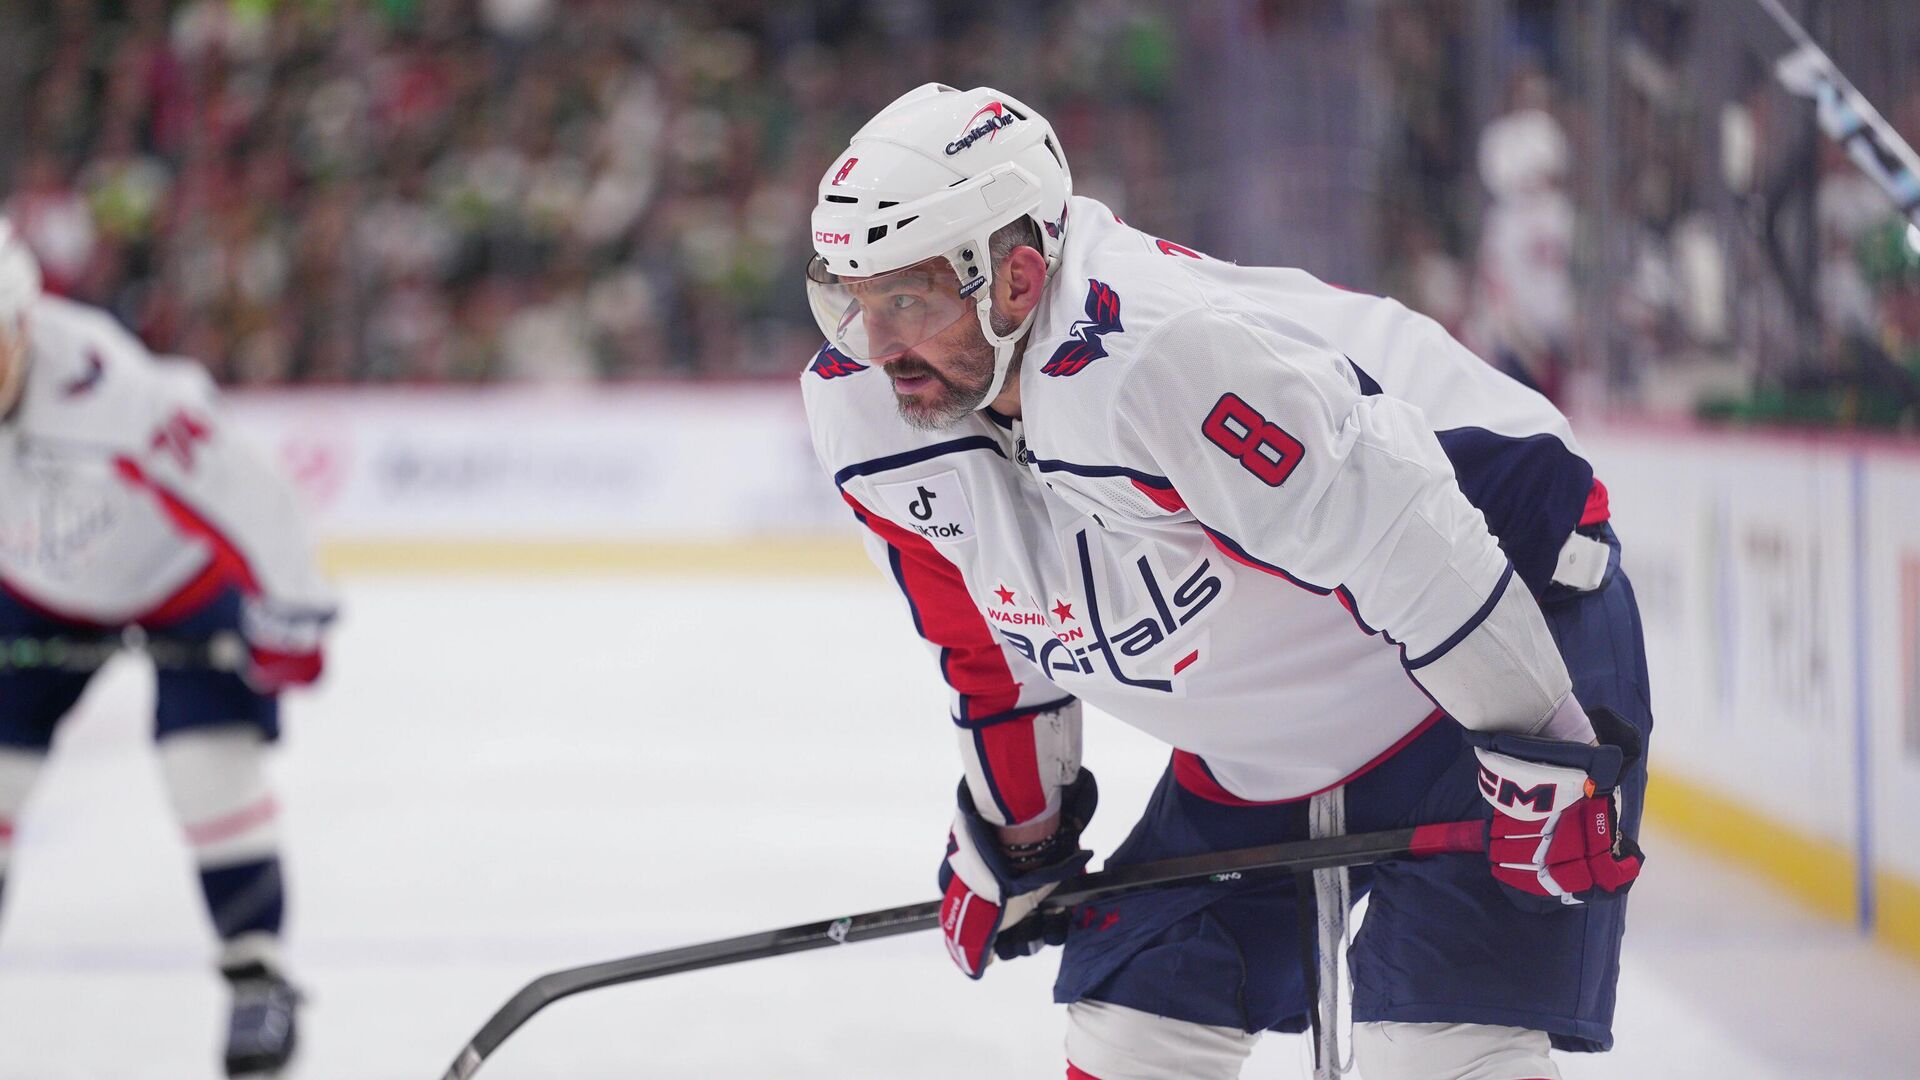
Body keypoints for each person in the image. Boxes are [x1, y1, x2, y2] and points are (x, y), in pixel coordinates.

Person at [800, 85, 1650, 1080]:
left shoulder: (1154, 354)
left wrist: (1549, 751)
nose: (876, 346)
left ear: (1017, 279)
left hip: (1495, 630)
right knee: (1135, 1027)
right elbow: (990, 645)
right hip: (1276, 734)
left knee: (1440, 1051)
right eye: (851, 299)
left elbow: (1407, 540)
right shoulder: (868, 412)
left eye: (908, 300)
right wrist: (1018, 832)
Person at [0, 219, 334, 1079]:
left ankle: (257, 974)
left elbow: (250, 487)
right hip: (34, 589)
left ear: (25, 325)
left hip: (178, 582)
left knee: (208, 771)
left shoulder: (110, 390)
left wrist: (292, 615)